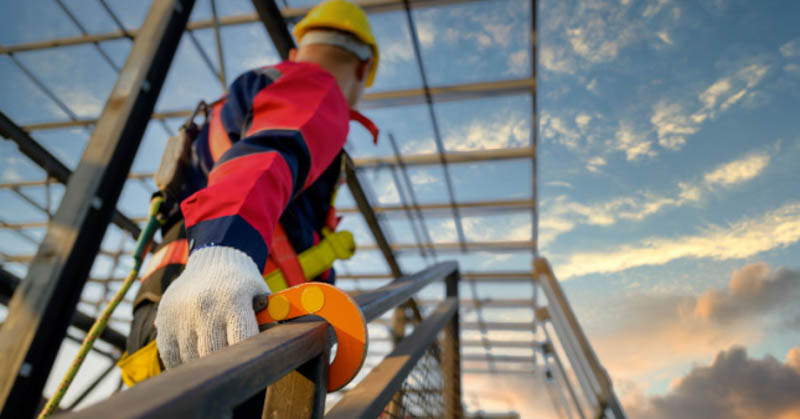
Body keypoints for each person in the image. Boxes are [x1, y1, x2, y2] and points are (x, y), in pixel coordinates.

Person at [125, 0, 380, 372]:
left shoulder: (248, 92)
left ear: (297, 50)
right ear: (364, 67)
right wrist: (223, 249)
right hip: (230, 308)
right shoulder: (316, 87)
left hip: (174, 302)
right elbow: (266, 156)